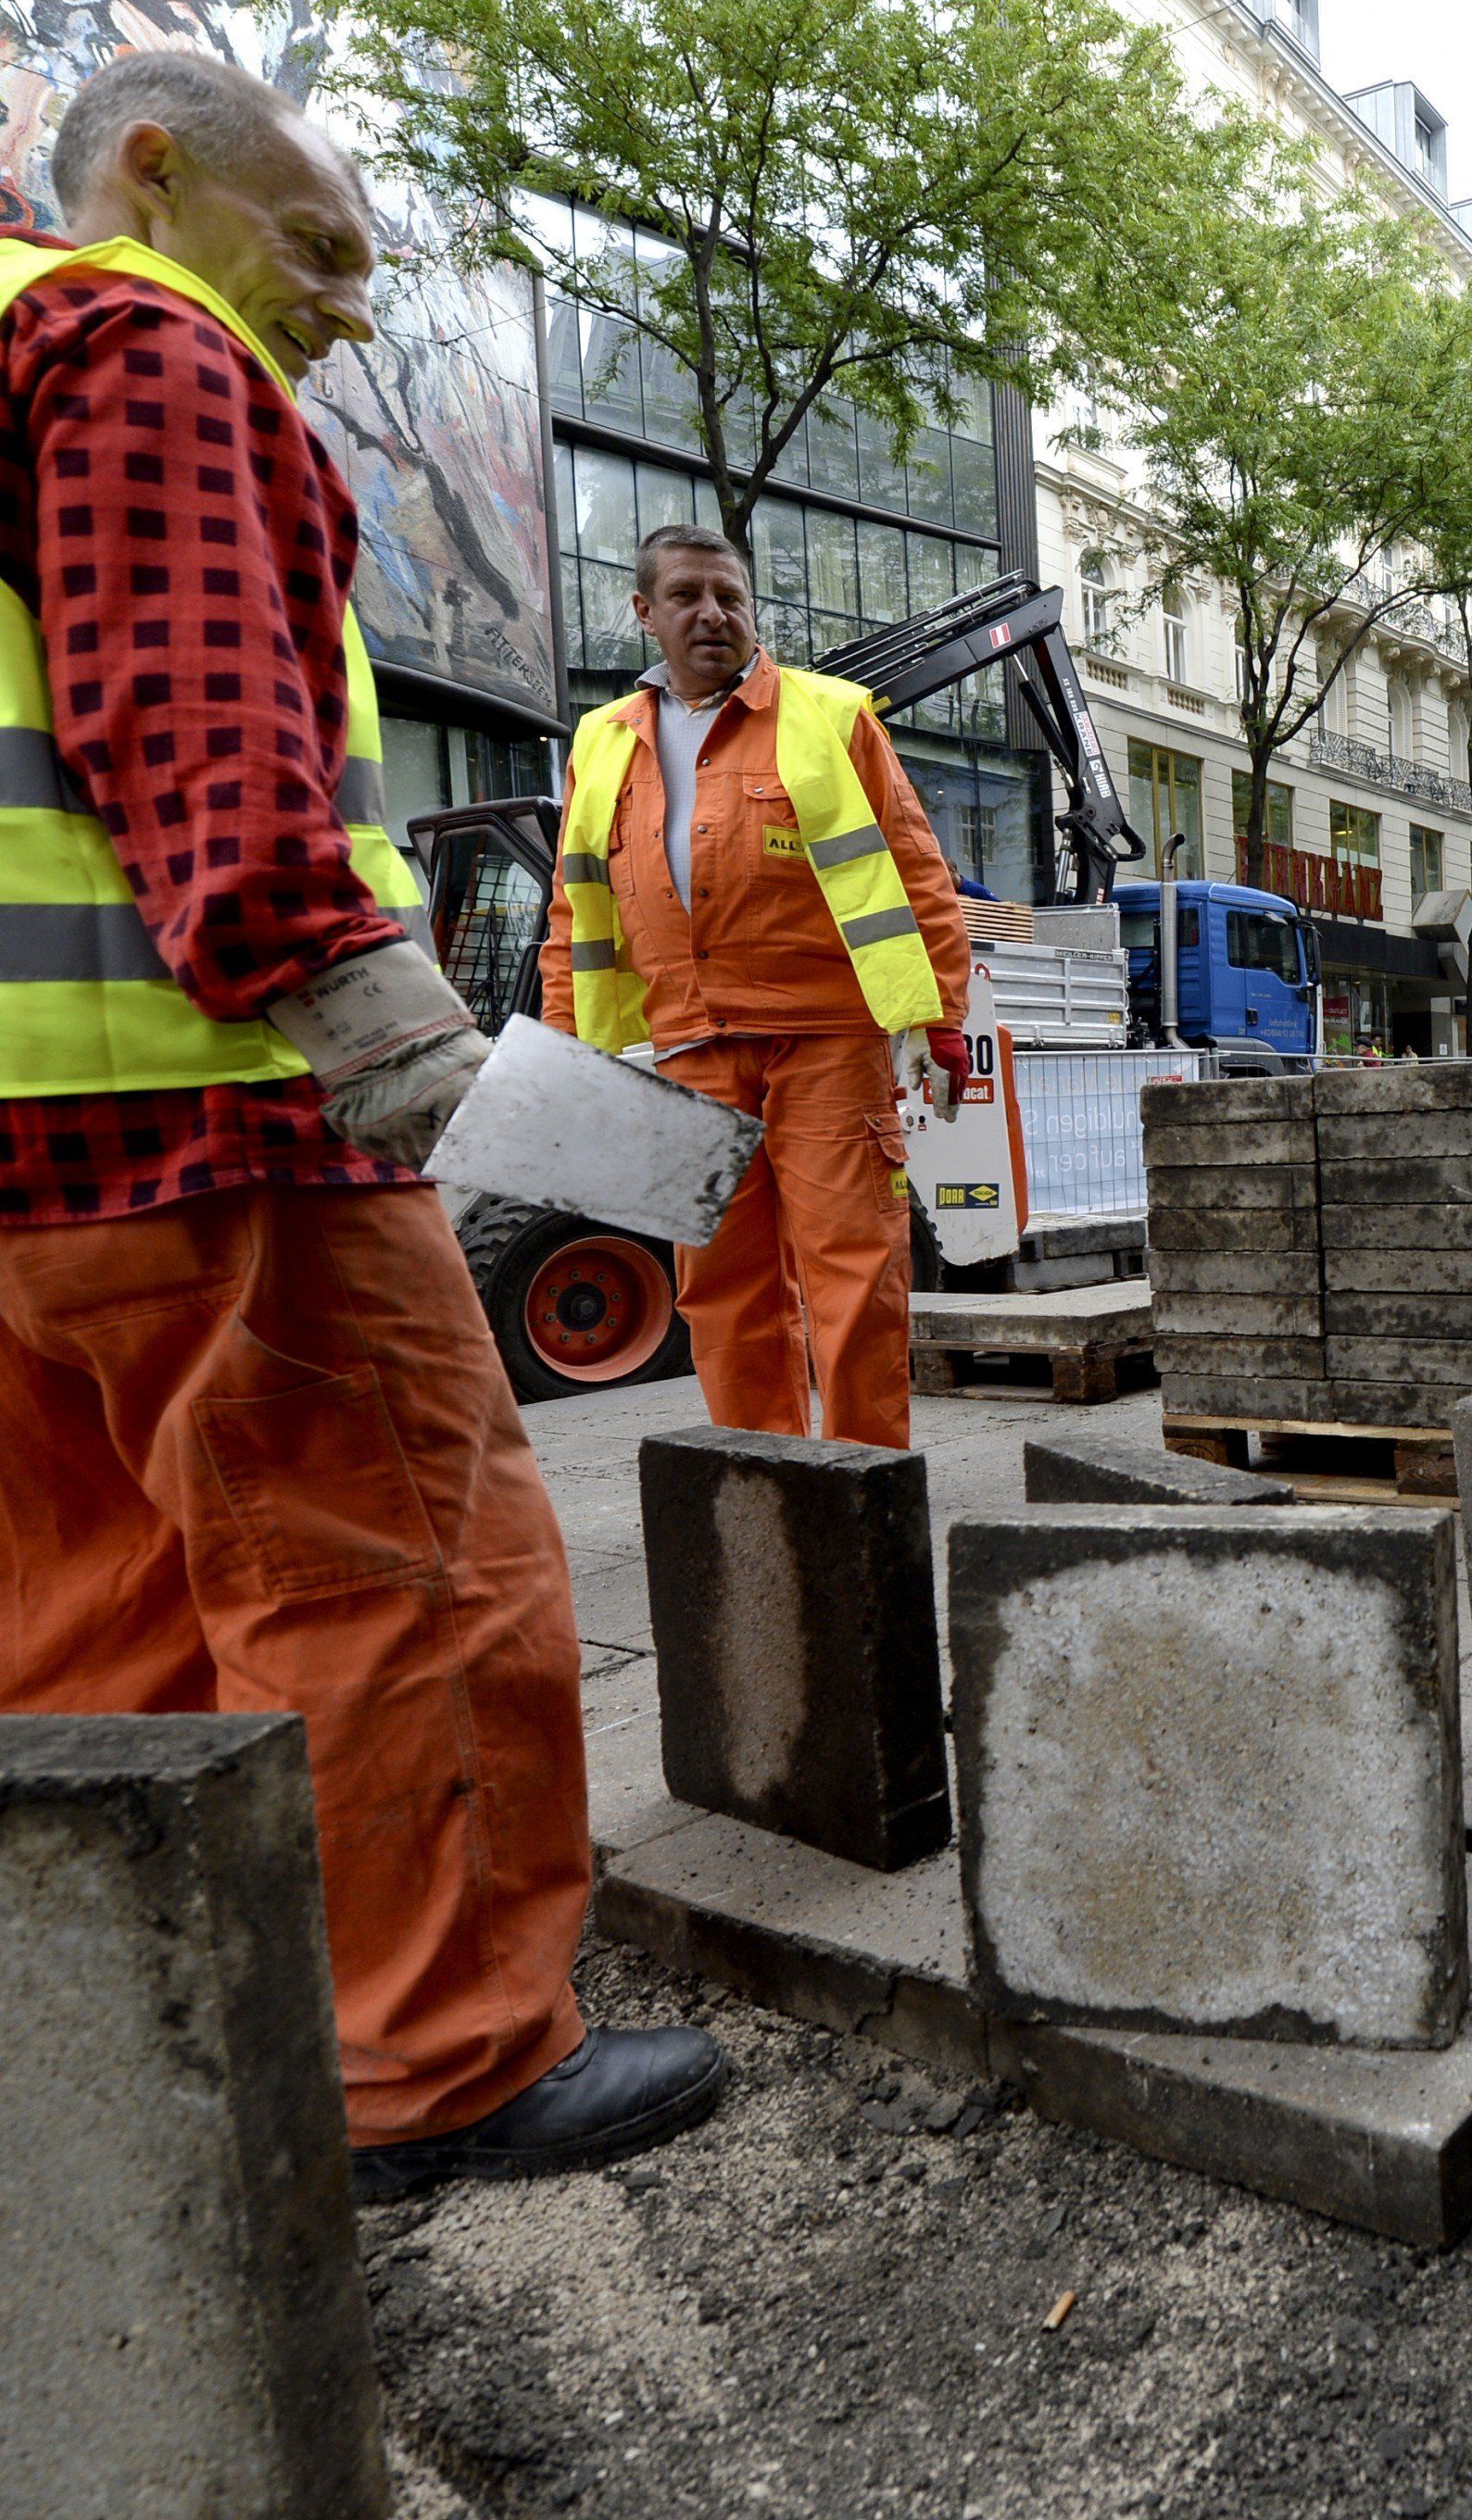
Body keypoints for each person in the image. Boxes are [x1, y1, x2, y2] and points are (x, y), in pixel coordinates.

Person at [0, 53, 722, 2192]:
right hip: (213, 1117)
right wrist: (391, 1044)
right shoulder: (137, 335)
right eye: (314, 248)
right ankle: (440, 2056)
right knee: (402, 1576)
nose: (342, 309)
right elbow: (203, 714)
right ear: (151, 174)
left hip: (27, 1165)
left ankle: (151, 2027)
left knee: (95, 1615)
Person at [539, 526, 972, 1448]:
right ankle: (763, 1487)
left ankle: (863, 1489)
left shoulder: (831, 715)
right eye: (688, 596)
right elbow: (576, 909)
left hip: (825, 1041)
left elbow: (914, 873)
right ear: (644, 612)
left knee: (852, 1275)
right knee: (717, 1289)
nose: (712, 615)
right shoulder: (601, 743)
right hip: (686, 1048)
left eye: (729, 596)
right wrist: (564, 1052)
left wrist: (938, 1022)